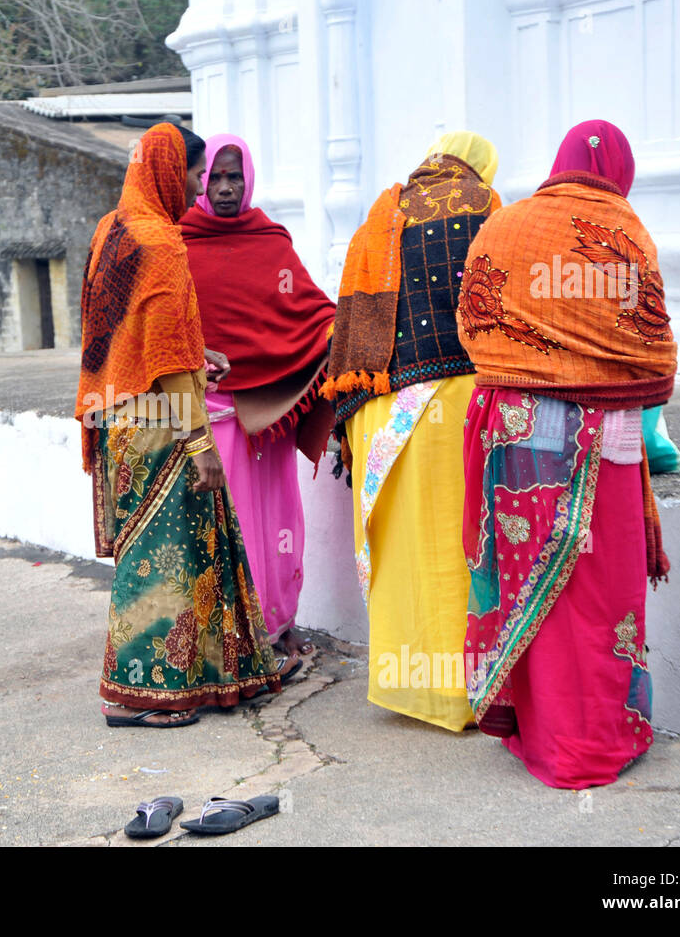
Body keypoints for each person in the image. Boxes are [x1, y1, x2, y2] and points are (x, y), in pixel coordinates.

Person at [456, 120, 678, 788]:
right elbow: (651, 348)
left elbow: (472, 319)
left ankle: (543, 730)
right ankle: (592, 741)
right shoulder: (625, 226)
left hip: (514, 428)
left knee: (535, 590)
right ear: (619, 168)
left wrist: (528, 367)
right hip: (598, 437)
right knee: (601, 593)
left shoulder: (505, 224)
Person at [77, 122, 283, 727]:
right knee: (167, 560)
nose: (201, 188)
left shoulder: (112, 230)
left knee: (171, 553)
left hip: (118, 417)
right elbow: (165, 356)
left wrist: (201, 356)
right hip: (160, 422)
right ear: (172, 171)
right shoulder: (161, 243)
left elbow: (126, 336)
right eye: (196, 174)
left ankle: (213, 674)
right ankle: (144, 695)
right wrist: (201, 444)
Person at [323, 132, 501, 732]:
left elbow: (348, 331)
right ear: (479, 167)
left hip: (378, 411)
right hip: (453, 404)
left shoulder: (380, 213)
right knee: (458, 549)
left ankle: (406, 687)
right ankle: (464, 697)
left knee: (402, 553)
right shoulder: (486, 206)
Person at [180, 134, 335, 659]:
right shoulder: (178, 243)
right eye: (214, 177)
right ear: (200, 179)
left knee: (279, 521)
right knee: (229, 523)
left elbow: (309, 311)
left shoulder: (271, 242)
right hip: (214, 415)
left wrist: (343, 333)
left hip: (271, 412)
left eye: (235, 176)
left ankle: (279, 622)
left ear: (249, 179)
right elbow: (166, 325)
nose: (224, 188)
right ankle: (232, 639)